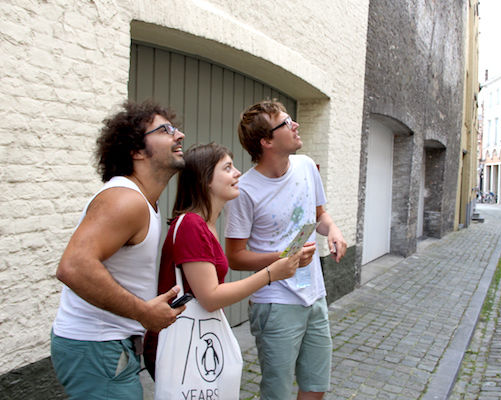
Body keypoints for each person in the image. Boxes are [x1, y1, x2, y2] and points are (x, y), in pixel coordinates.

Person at [51, 100, 187, 400]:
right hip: (99, 347)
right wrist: (144, 313)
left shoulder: (142, 201)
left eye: (175, 128)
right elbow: (73, 267)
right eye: (165, 130)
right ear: (136, 151)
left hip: (109, 346)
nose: (180, 135)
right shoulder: (125, 200)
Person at [143, 143, 302, 381]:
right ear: (206, 179)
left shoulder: (206, 225)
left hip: (195, 341)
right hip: (180, 347)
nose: (238, 173)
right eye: (228, 168)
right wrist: (270, 274)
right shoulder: (191, 225)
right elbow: (210, 297)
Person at [225, 100, 348, 400]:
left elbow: (319, 215)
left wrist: (332, 229)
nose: (295, 125)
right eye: (286, 123)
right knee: (277, 393)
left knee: (315, 385)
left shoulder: (306, 166)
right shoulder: (245, 191)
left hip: (314, 294)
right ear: (266, 141)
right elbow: (235, 256)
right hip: (275, 302)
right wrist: (283, 260)